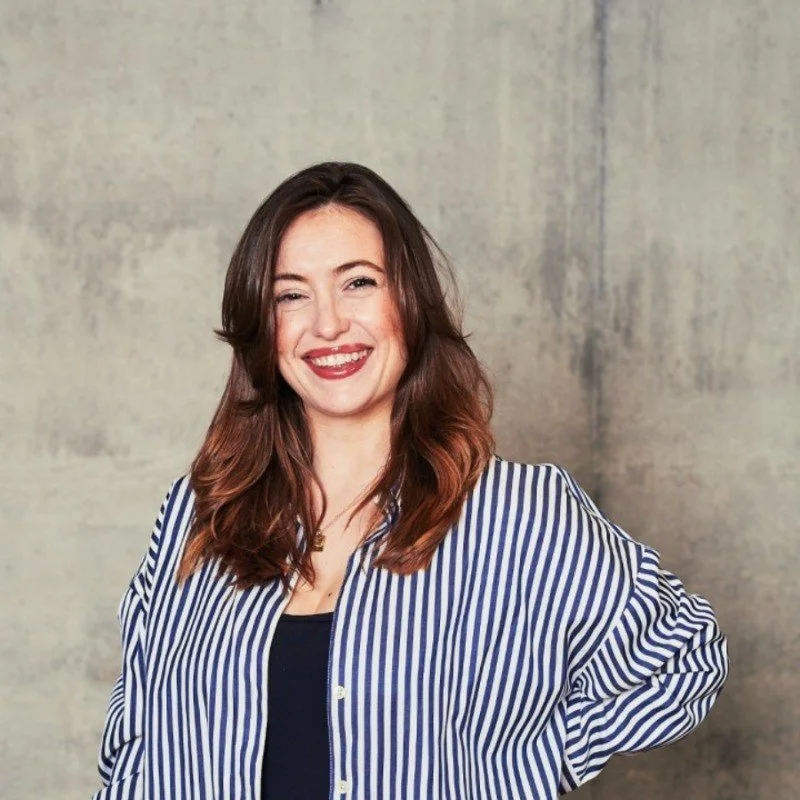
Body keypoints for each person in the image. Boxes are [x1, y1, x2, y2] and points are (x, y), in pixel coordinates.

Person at [90, 162, 729, 800]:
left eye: (359, 283)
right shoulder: (199, 515)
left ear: (410, 301)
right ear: (265, 324)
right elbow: (135, 744)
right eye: (292, 294)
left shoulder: (517, 514)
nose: (329, 324)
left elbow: (683, 659)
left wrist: (520, 767)